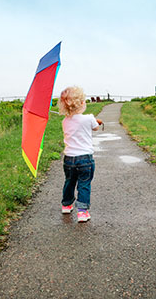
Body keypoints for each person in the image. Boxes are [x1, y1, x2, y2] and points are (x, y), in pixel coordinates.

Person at [57, 86, 103, 222]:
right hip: (85, 159)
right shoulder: (88, 118)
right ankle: (82, 212)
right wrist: (96, 121)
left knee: (69, 182)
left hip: (69, 159)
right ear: (81, 103)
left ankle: (66, 204)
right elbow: (95, 127)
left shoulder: (65, 121)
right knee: (84, 183)